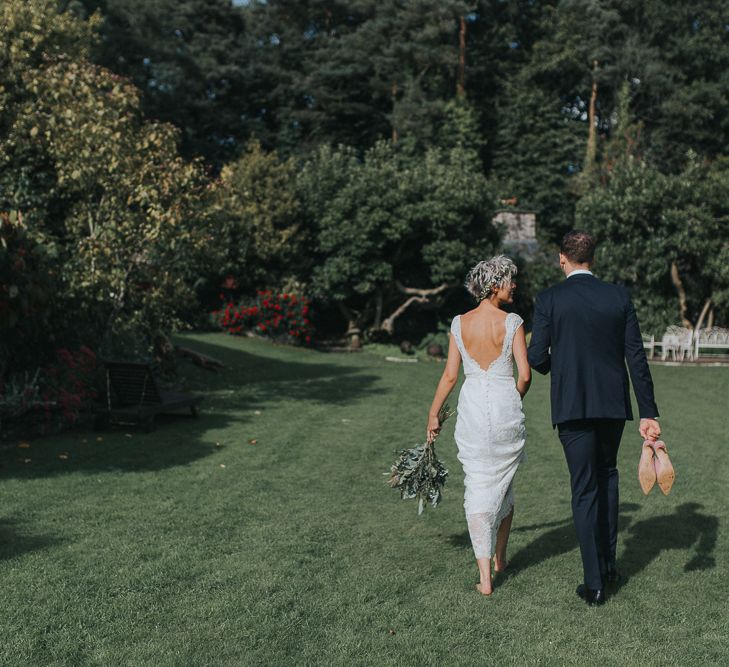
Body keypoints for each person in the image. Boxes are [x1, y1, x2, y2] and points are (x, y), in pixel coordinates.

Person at [528, 230, 660, 607]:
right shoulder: (618, 296)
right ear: (593, 259)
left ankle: (595, 583)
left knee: (584, 488)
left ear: (561, 258)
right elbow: (636, 358)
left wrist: (562, 369)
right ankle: (609, 567)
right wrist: (648, 411)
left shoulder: (550, 299)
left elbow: (536, 355)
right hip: (613, 405)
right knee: (608, 478)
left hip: (572, 405)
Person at [427, 255, 531, 596]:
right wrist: (513, 400)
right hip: (505, 408)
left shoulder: (459, 323)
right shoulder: (513, 321)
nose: (514, 285)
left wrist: (433, 414)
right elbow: (525, 375)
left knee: (479, 483)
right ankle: (500, 558)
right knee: (505, 486)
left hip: (472, 408)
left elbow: (451, 375)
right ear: (494, 285)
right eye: (510, 280)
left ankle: (487, 574)